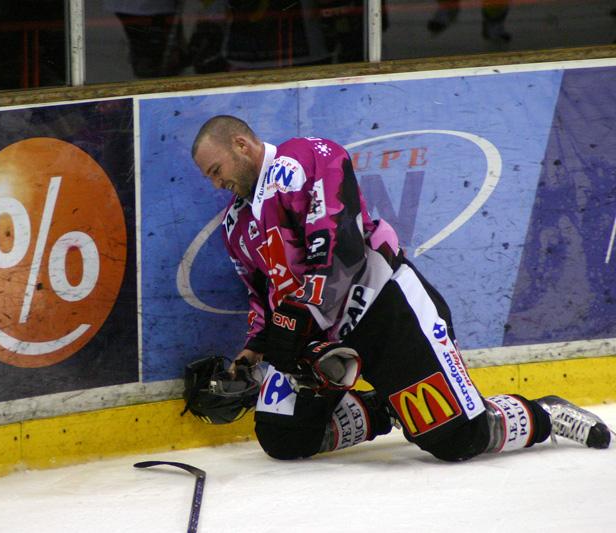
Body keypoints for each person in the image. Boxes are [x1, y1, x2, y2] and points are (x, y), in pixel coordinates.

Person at [186, 115, 612, 461]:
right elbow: (262, 295)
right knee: (283, 436)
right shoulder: (235, 224)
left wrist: (298, 316)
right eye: (209, 177)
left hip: (381, 307)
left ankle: (546, 414)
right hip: (317, 337)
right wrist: (251, 353)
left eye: (216, 171)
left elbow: (337, 246)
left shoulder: (305, 159)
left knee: (458, 440)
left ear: (241, 144)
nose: (216, 183)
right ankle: (388, 406)